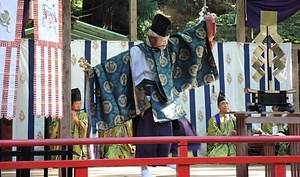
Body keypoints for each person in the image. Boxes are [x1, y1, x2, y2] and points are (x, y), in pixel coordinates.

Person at [89, 13, 218, 177]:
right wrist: (94, 72)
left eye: (166, 40)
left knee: (179, 128)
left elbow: (189, 38)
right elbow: (118, 68)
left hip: (166, 96)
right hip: (146, 98)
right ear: (151, 37)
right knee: (146, 134)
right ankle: (144, 169)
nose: (165, 43)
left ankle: (173, 159)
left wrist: (206, 23)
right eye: (162, 40)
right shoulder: (137, 52)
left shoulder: (168, 46)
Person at [49, 88, 88, 160]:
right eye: (76, 104)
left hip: (78, 152)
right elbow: (53, 133)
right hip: (61, 151)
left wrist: (75, 119)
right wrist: (62, 119)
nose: (79, 106)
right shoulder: (60, 115)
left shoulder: (83, 115)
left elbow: (85, 127)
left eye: (80, 103)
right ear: (70, 103)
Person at [206, 90, 236, 157]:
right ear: (218, 106)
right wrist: (228, 137)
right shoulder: (214, 119)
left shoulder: (234, 119)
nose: (226, 105)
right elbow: (212, 136)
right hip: (220, 146)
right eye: (223, 103)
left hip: (233, 146)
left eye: (227, 103)